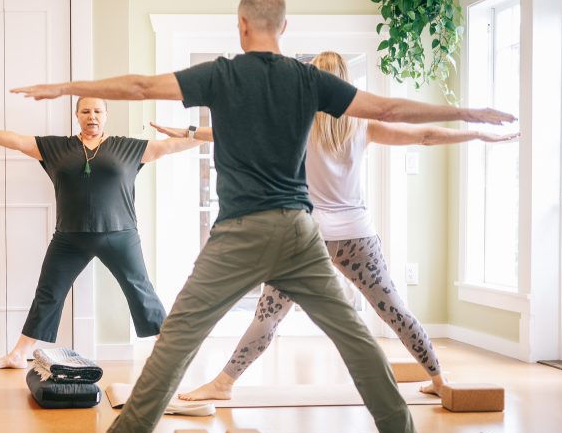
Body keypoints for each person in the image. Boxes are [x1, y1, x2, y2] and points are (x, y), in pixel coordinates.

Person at [12, 0, 515, 433]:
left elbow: (143, 85)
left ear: (241, 25)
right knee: (352, 331)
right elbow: (387, 107)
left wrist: (67, 87)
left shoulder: (222, 74)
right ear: (284, 26)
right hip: (300, 232)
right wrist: (467, 112)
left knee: (182, 331)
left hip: (239, 233)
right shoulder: (309, 79)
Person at [149, 51, 520, 402]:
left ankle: (223, 382)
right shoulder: (363, 126)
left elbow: (234, 135)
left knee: (269, 313)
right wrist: (478, 134)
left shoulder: (294, 124)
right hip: (357, 236)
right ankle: (440, 380)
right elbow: (425, 135)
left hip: (306, 239)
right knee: (394, 309)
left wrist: (189, 132)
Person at [0, 96, 202, 369]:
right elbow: (16, 140)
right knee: (48, 292)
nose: (92, 116)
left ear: (106, 115)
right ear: (76, 115)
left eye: (98, 111)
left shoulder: (128, 147)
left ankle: (170, 353)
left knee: (140, 291)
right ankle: (19, 354)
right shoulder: (56, 147)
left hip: (120, 235)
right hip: (69, 237)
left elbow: (172, 146)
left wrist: (193, 132)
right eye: (86, 111)